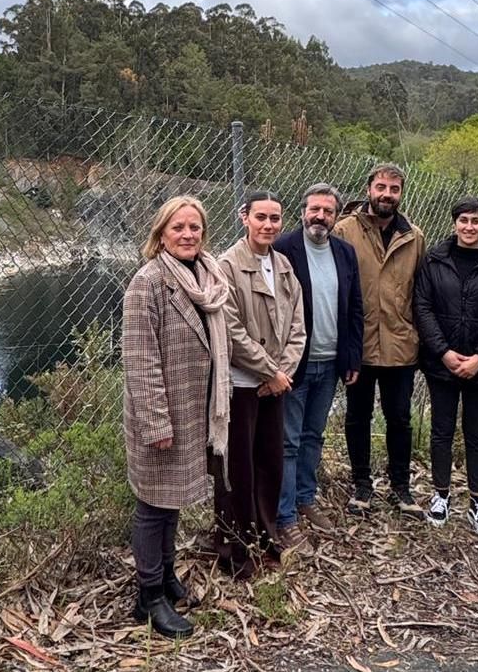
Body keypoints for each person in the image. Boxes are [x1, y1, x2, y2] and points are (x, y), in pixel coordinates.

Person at [122, 196, 232, 637]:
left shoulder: (207, 275)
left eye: (195, 228)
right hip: (163, 417)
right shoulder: (146, 284)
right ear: (161, 234)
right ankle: (147, 597)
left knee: (172, 504)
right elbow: (140, 360)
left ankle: (166, 576)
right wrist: (156, 425)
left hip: (194, 410)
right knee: (153, 505)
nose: (188, 235)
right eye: (178, 228)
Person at [413, 197, 478, 538]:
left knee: (476, 434)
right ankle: (440, 496)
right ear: (454, 223)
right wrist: (443, 352)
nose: (469, 227)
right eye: (463, 220)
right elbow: (423, 307)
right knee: (441, 431)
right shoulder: (434, 260)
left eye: (475, 221)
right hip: (441, 364)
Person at [215, 191, 306, 575]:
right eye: (261, 218)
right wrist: (270, 371)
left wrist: (280, 374)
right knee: (237, 469)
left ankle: (267, 536)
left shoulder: (283, 265)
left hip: (275, 386)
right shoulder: (227, 266)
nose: (268, 225)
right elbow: (231, 330)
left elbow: (298, 327)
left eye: (275, 219)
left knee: (270, 463)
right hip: (241, 385)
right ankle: (233, 548)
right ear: (244, 218)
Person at [334, 163, 427, 516]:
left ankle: (401, 487)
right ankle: (361, 483)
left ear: (401, 193)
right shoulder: (344, 231)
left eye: (394, 189)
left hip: (401, 344)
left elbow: (421, 292)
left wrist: (418, 336)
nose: (387, 194)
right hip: (359, 344)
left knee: (399, 418)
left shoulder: (414, 237)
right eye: (381, 187)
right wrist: (344, 346)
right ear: (369, 188)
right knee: (357, 416)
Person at [273, 183, 363, 540]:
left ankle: (305, 498)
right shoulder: (284, 249)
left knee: (314, 435)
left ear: (337, 216)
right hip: (295, 362)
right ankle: (284, 515)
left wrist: (352, 355)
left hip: (330, 363)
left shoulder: (345, 252)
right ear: (303, 211)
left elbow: (355, 306)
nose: (320, 216)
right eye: (314, 209)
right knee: (288, 441)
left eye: (327, 211)